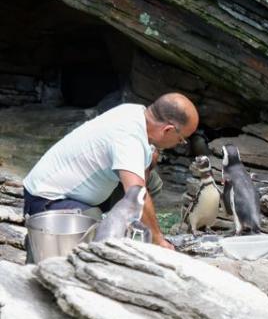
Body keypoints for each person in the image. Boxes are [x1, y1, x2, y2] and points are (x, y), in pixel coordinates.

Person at [23, 93, 199, 252]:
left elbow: (143, 177)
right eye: (181, 139)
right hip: (48, 199)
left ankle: (127, 230)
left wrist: (148, 158)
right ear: (167, 130)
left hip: (81, 192)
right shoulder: (128, 139)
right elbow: (137, 192)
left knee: (152, 181)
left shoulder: (135, 112)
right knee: (94, 227)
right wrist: (159, 241)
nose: (179, 143)